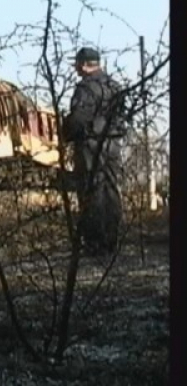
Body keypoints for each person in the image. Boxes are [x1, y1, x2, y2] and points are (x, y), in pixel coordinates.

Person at [63, 47, 128, 256]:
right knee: (110, 188)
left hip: (91, 145)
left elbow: (79, 118)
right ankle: (112, 239)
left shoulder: (86, 88)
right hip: (113, 144)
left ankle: (94, 242)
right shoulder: (114, 86)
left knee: (91, 191)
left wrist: (65, 132)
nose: (75, 68)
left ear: (83, 64)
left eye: (76, 64)